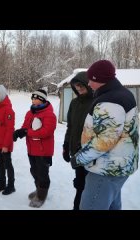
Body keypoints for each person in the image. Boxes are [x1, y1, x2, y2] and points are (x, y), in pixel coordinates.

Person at [71, 60, 139, 210]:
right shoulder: (121, 94)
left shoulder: (110, 101)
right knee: (111, 205)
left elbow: (105, 140)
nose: (88, 83)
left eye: (91, 80)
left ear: (99, 80)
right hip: (117, 165)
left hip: (105, 169)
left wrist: (80, 157)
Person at [13, 89, 56, 208]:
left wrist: (27, 132)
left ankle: (41, 196)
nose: (33, 100)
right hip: (32, 149)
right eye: (33, 98)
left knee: (42, 173)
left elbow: (46, 132)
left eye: (36, 98)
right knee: (34, 171)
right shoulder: (30, 113)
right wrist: (19, 132)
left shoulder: (49, 114)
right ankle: (39, 190)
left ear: (42, 100)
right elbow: (26, 127)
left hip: (43, 150)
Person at [63, 72, 93, 210]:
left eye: (81, 85)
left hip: (91, 152)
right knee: (80, 184)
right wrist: (66, 145)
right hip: (76, 150)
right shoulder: (74, 103)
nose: (79, 88)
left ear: (88, 84)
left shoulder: (96, 102)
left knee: (90, 186)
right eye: (76, 86)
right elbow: (70, 126)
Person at [0, 84, 15, 195]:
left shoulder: (8, 110)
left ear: (1, 96)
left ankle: (11, 186)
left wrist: (6, 145)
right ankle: (2, 183)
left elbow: (10, 129)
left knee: (7, 164)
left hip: (5, 144)